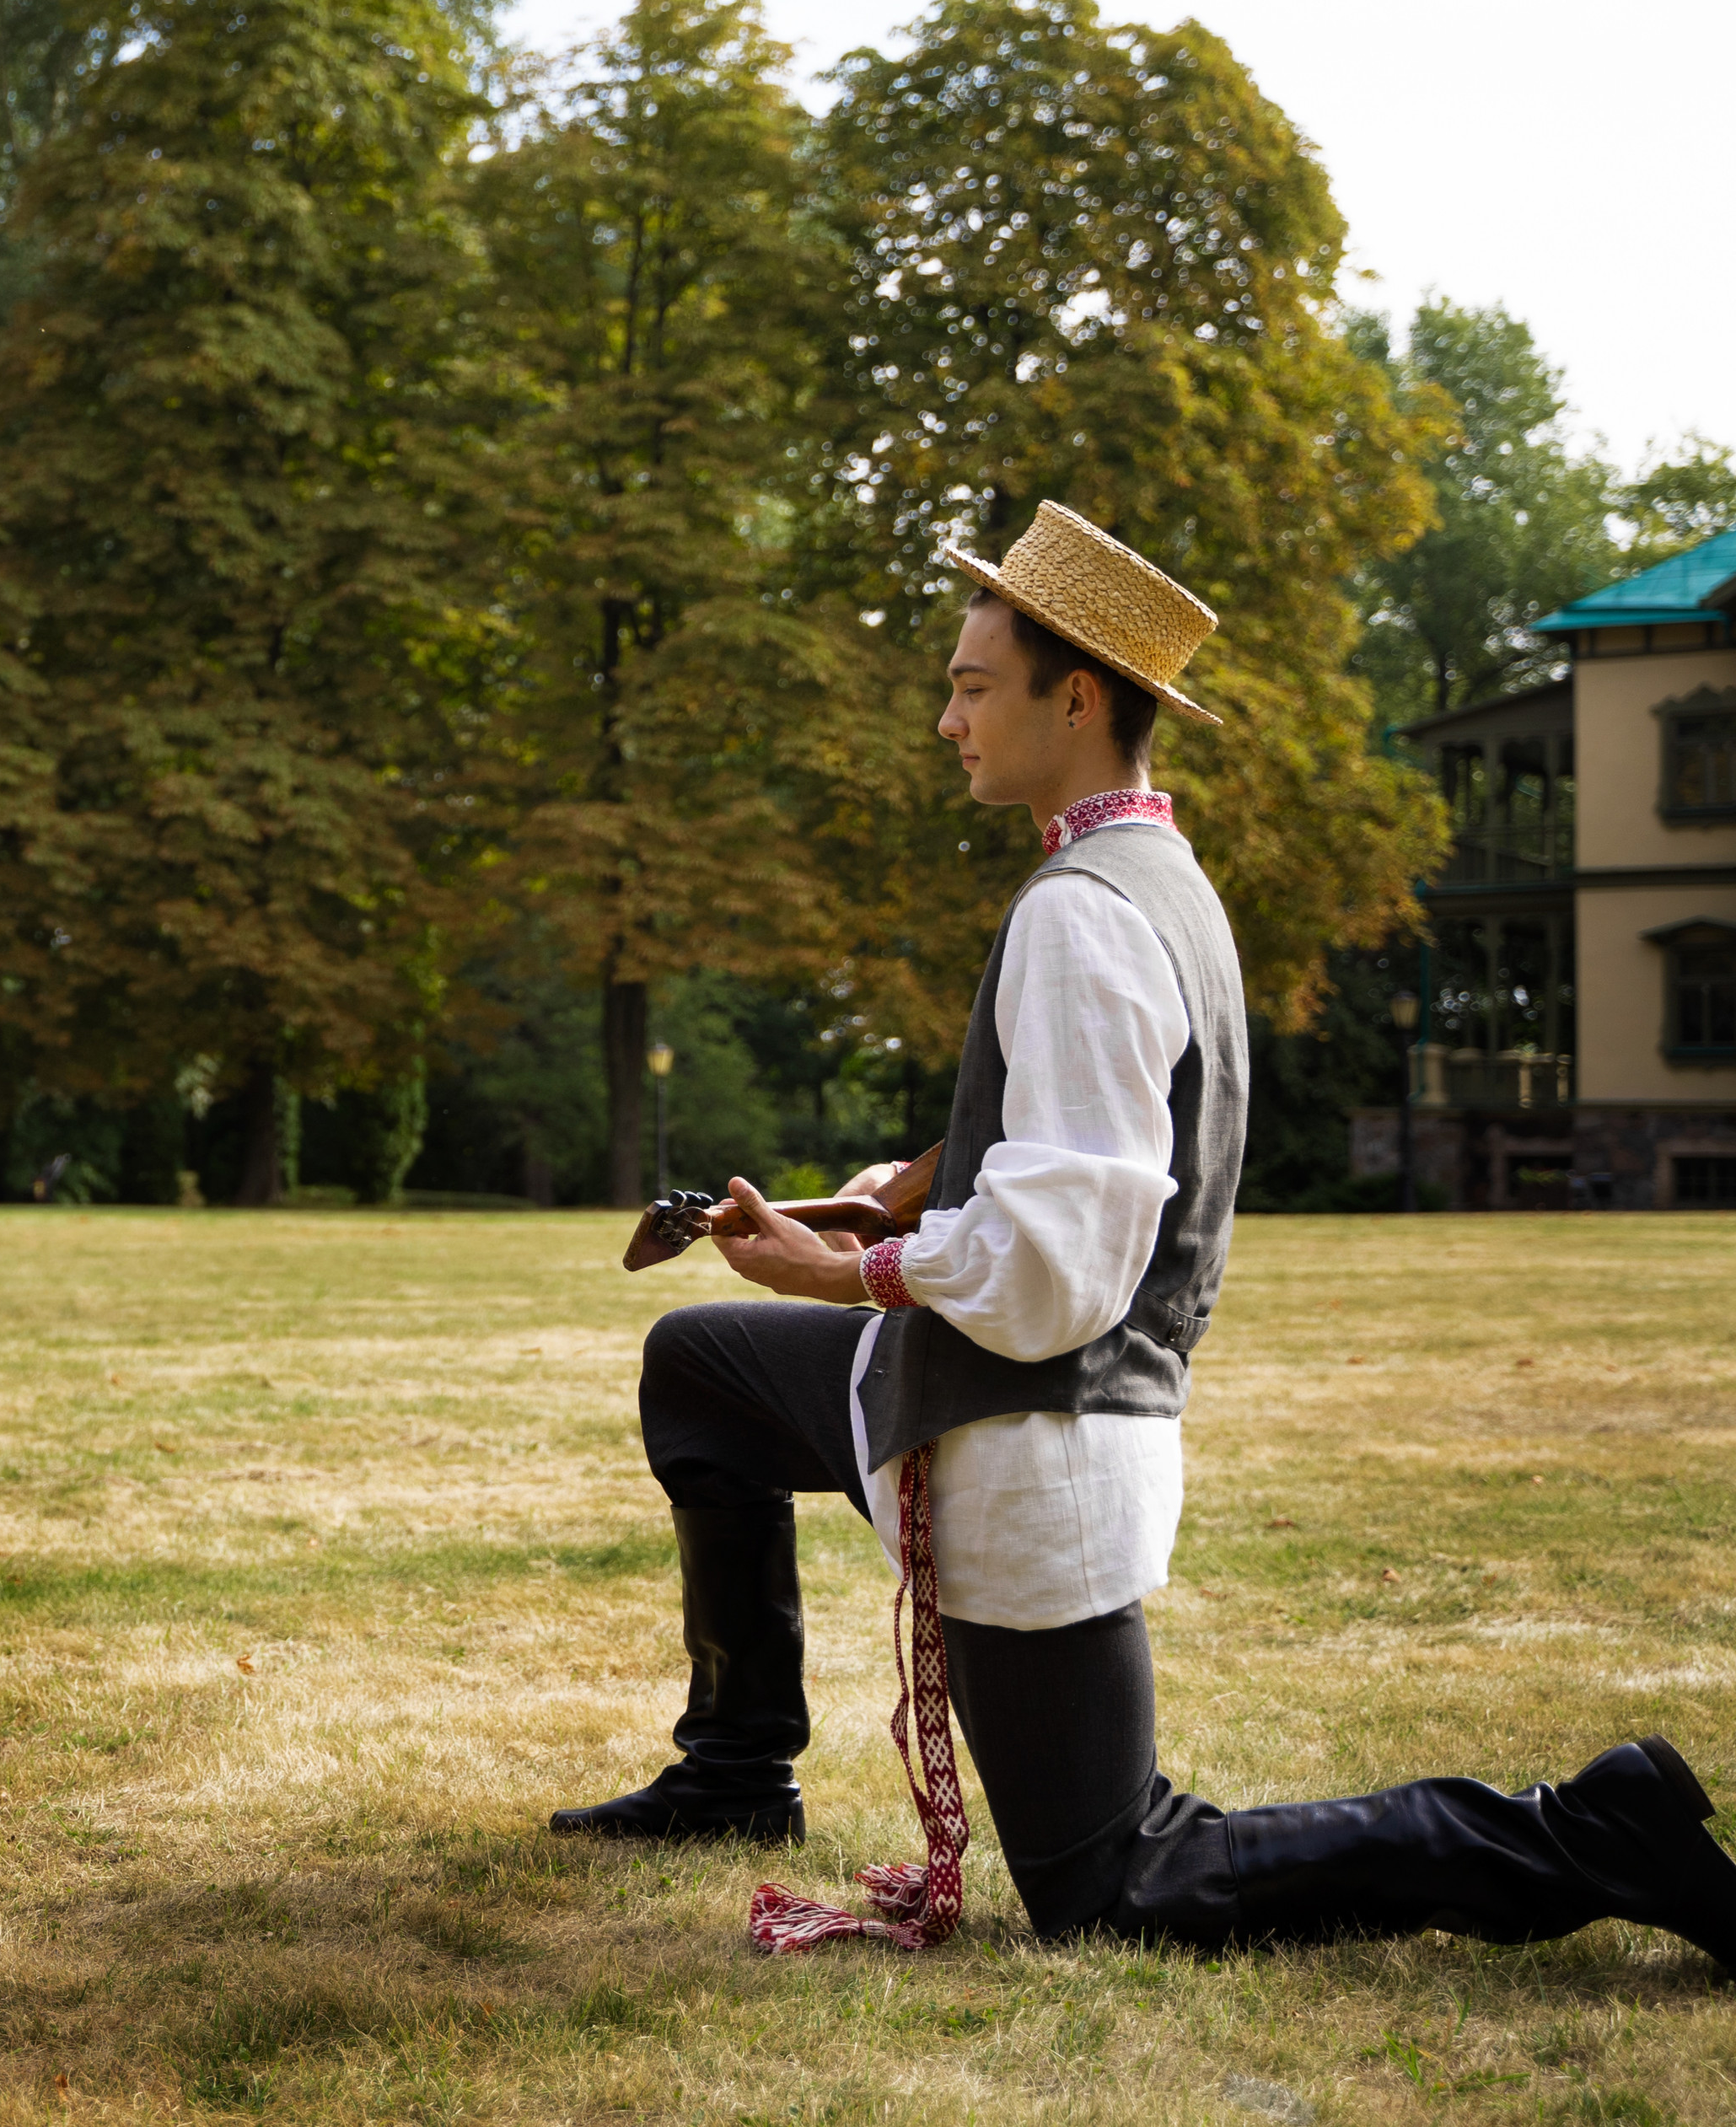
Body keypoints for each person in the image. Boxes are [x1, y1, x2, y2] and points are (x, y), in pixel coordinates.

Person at [551, 501, 1736, 1966]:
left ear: (1077, 699)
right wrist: (906, 1189)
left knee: (1120, 1884)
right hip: (1015, 1405)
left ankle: (1584, 1833)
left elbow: (1058, 1270)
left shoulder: (1083, 914)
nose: (946, 720)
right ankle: (737, 1770)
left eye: (972, 687)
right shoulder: (1156, 880)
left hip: (1032, 1438)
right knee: (702, 1372)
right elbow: (1094, 1141)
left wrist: (844, 1270)